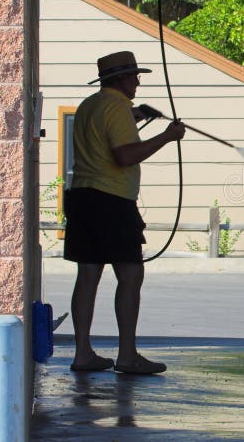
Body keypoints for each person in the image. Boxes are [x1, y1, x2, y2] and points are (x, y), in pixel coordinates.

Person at [64, 51, 185, 374]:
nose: (137, 82)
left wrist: (137, 117)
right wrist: (167, 136)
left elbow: (104, 136)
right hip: (113, 200)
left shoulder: (91, 104)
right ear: (119, 79)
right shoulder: (117, 107)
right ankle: (128, 355)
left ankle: (82, 353)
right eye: (133, 76)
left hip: (82, 196)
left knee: (88, 276)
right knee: (130, 275)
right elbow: (124, 156)